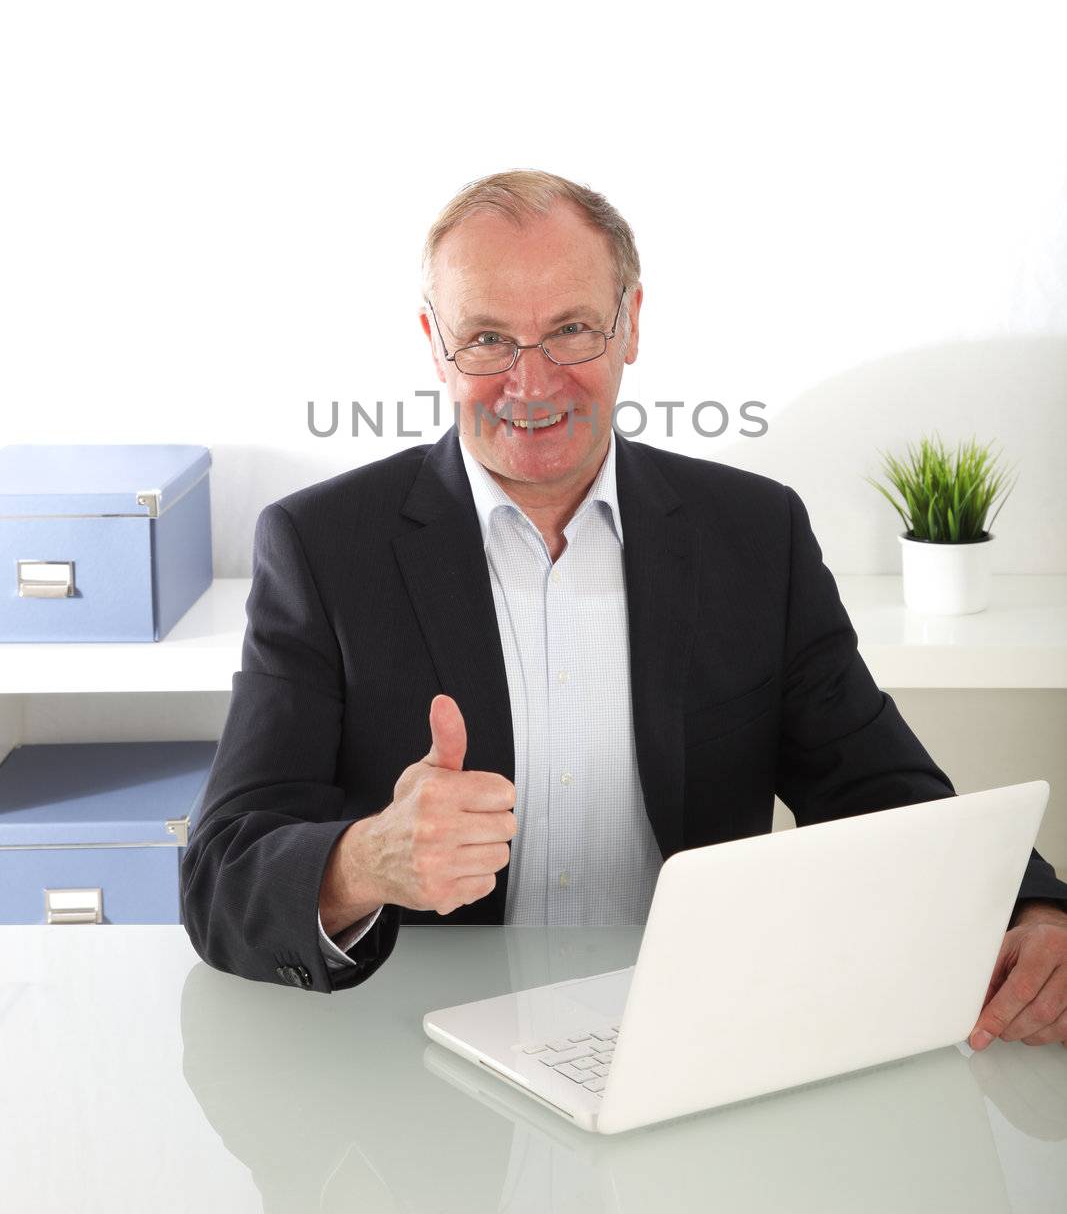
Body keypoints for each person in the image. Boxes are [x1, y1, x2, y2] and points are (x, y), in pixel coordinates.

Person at [180, 170, 1067, 1050]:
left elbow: (879, 792)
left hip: (692, 1043)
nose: (530, 383)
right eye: (486, 339)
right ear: (434, 345)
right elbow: (219, 875)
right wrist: (366, 860)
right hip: (421, 1056)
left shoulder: (756, 535)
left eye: (570, 330)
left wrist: (1031, 911)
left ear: (631, 323)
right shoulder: (323, 546)